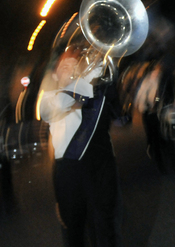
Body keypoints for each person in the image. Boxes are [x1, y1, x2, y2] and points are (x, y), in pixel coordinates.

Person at [40, 45, 123, 247]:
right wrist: (86, 80)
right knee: (74, 231)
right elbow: (62, 104)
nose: (69, 67)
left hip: (102, 166)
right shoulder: (49, 99)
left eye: (73, 65)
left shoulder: (93, 91)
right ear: (55, 75)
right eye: (64, 66)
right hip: (70, 172)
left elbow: (120, 116)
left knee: (104, 227)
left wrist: (105, 75)